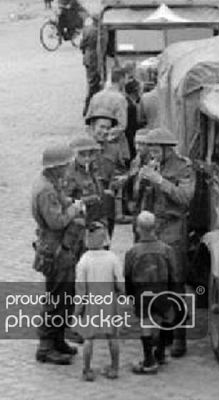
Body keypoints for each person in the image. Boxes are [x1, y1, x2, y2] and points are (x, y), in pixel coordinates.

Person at [138, 128, 195, 357]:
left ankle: (180, 337)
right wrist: (142, 180)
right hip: (154, 228)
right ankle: (164, 333)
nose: (152, 154)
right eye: (150, 150)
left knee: (176, 283)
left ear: (166, 148)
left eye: (155, 150)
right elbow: (140, 198)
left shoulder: (183, 167)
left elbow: (185, 198)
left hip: (173, 228)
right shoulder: (152, 164)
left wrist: (160, 181)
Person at [31, 143, 86, 364]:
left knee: (65, 296)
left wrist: (71, 203)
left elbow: (61, 202)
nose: (69, 167)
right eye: (66, 164)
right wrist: (74, 209)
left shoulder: (51, 182)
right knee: (56, 299)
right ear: (56, 167)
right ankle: (46, 347)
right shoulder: (46, 190)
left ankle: (58, 339)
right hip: (55, 248)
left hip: (60, 246)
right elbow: (56, 221)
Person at [125, 211, 177, 373]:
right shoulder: (166, 250)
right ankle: (160, 353)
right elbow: (174, 274)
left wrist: (130, 295)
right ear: (155, 227)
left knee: (145, 323)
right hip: (162, 290)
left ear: (138, 229)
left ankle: (148, 360)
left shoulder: (133, 252)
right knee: (166, 318)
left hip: (142, 292)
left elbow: (127, 275)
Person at [74, 221, 124, 381]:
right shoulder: (112, 258)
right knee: (112, 336)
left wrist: (77, 310)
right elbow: (120, 283)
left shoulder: (84, 260)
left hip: (91, 304)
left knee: (89, 338)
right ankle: (114, 368)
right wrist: (120, 294)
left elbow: (80, 288)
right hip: (109, 302)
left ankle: (87, 370)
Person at [86, 107, 128, 237]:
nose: (105, 131)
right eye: (102, 127)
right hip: (86, 204)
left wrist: (118, 182)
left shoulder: (114, 150)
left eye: (108, 128)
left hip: (107, 205)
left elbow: (121, 171)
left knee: (105, 240)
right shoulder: (82, 149)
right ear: (92, 128)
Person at [86, 66, 130, 164]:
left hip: (95, 141)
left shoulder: (96, 96)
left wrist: (95, 136)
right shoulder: (120, 99)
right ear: (122, 80)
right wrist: (107, 136)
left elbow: (88, 120)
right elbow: (122, 126)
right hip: (113, 145)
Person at [65, 136, 106, 233]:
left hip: (95, 215)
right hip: (77, 219)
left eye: (90, 154)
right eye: (82, 155)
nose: (87, 158)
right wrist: (84, 201)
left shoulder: (93, 168)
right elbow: (64, 199)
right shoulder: (70, 173)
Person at [80, 13, 101, 117]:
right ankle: (88, 109)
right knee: (93, 85)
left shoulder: (87, 29)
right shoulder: (98, 31)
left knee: (90, 83)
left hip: (87, 58)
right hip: (94, 59)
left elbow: (81, 45)